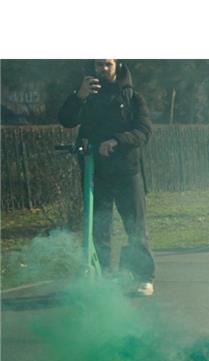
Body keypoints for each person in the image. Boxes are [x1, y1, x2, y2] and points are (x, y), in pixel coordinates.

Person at [57, 59, 155, 296]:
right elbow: (66, 119)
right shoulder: (86, 94)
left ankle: (143, 278)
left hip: (127, 172)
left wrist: (118, 141)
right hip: (96, 173)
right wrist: (78, 95)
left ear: (117, 65)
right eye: (99, 65)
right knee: (99, 228)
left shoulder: (132, 97)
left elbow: (144, 131)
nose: (102, 69)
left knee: (135, 226)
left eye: (107, 65)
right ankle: (104, 277)